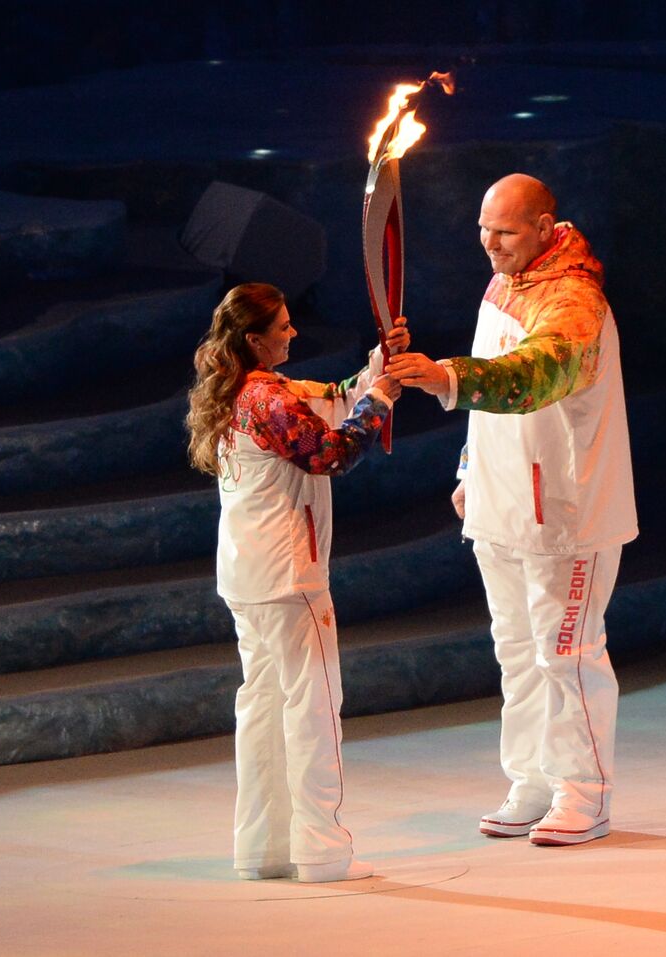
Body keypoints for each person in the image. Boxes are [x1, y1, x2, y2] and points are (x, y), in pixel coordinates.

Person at [387, 173, 636, 847]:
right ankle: (530, 777)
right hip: (500, 502)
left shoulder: (575, 302)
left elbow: (534, 375)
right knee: (517, 651)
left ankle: (584, 791)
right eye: (482, 229)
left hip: (565, 508)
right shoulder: (503, 284)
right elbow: (489, 387)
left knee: (568, 651)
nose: (489, 244)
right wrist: (471, 467)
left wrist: (444, 376)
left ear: (546, 226)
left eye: (504, 231)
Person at [185, 282, 407, 882]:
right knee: (313, 709)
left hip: (246, 578)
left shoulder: (242, 389)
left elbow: (329, 397)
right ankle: (322, 852)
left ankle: (265, 850)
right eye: (283, 327)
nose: (293, 333)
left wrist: (376, 370)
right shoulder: (268, 400)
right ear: (254, 338)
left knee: (262, 708)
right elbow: (331, 453)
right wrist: (379, 402)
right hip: (290, 578)